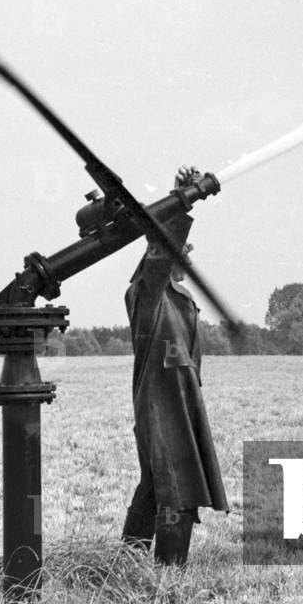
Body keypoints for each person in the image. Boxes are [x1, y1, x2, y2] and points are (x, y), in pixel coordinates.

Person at [119, 166, 230, 566]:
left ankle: (129, 562)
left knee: (155, 485)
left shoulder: (178, 297)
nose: (187, 257)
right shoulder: (147, 294)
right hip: (160, 406)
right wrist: (182, 199)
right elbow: (159, 257)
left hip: (180, 404)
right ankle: (168, 575)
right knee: (176, 489)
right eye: (181, 250)